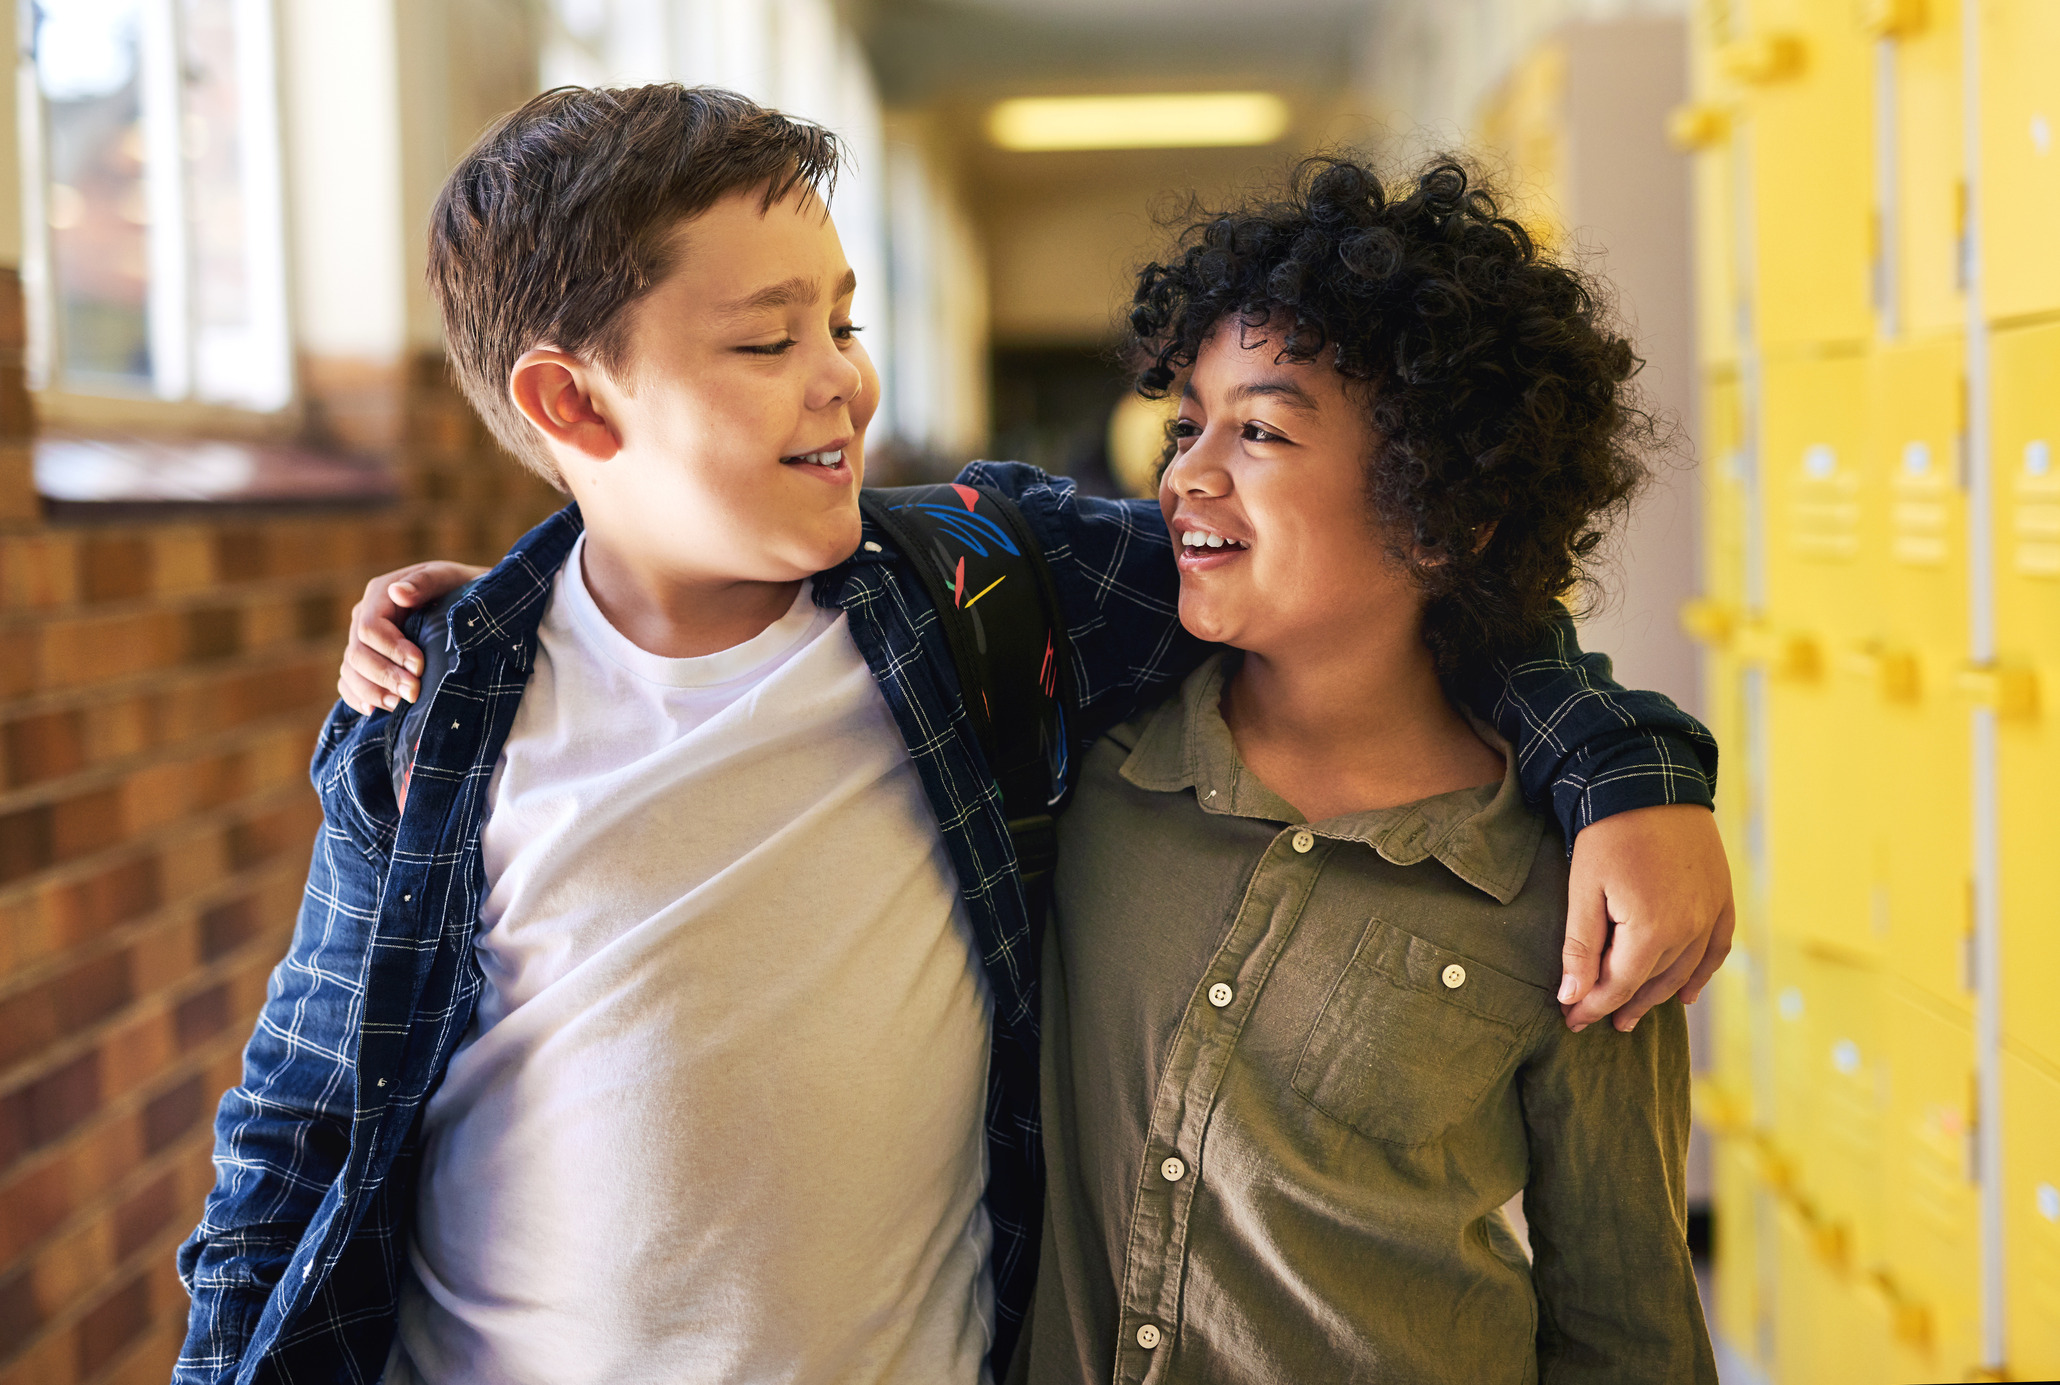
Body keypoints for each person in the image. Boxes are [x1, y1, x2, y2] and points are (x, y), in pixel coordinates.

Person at [194, 83, 1727, 1385]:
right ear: (575, 408)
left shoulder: (979, 595)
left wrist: (1624, 768)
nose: (843, 379)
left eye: (844, 320)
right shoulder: (436, 721)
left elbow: (1391, 578)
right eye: (768, 342)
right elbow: (295, 1125)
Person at [1023, 157, 1717, 1384]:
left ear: (1440, 514)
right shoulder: (1090, 758)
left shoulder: (1577, 894)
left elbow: (1628, 1326)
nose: (1185, 472)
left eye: (1259, 430)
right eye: (1188, 422)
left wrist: (1634, 781)